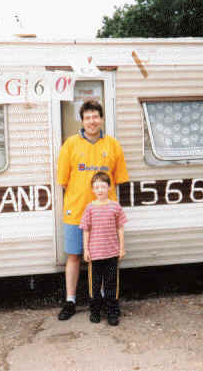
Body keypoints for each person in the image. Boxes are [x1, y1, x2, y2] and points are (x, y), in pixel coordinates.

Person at [56, 100, 129, 321]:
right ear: (82, 120)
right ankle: (70, 301)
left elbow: (119, 180)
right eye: (87, 117)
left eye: (95, 116)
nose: (92, 121)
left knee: (107, 260)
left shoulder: (113, 145)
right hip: (76, 211)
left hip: (106, 216)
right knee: (75, 256)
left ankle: (107, 303)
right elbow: (63, 181)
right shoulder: (70, 145)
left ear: (101, 118)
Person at [80, 171, 127, 326]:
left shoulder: (115, 207)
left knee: (111, 284)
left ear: (109, 187)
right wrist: (86, 250)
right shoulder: (89, 208)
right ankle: (95, 311)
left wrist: (121, 248)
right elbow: (85, 230)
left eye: (102, 186)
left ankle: (112, 311)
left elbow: (120, 228)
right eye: (96, 187)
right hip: (95, 255)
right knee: (95, 286)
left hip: (112, 253)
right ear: (92, 190)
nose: (100, 190)